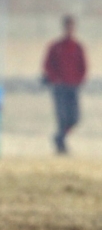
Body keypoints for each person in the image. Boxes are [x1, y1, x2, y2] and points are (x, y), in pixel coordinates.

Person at [42, 15, 87, 154]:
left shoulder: (78, 47)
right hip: (59, 87)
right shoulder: (56, 47)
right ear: (64, 27)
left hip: (73, 86)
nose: (70, 29)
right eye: (68, 26)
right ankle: (61, 146)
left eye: (72, 27)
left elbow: (83, 66)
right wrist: (55, 79)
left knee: (75, 118)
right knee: (62, 117)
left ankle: (59, 138)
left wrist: (79, 80)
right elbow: (47, 64)